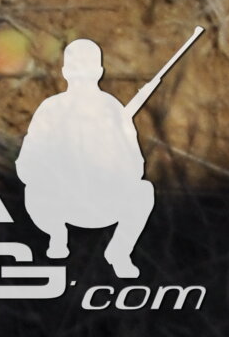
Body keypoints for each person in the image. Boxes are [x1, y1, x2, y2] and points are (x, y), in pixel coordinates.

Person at [19, 38, 157, 279]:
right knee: (33, 191)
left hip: (104, 202)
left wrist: (105, 159)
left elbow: (136, 168)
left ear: (99, 72)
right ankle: (56, 236)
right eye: (77, 69)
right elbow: (26, 165)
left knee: (144, 192)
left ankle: (119, 252)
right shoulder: (50, 109)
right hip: (60, 204)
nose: (82, 77)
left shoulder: (113, 110)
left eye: (87, 69)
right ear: (65, 72)